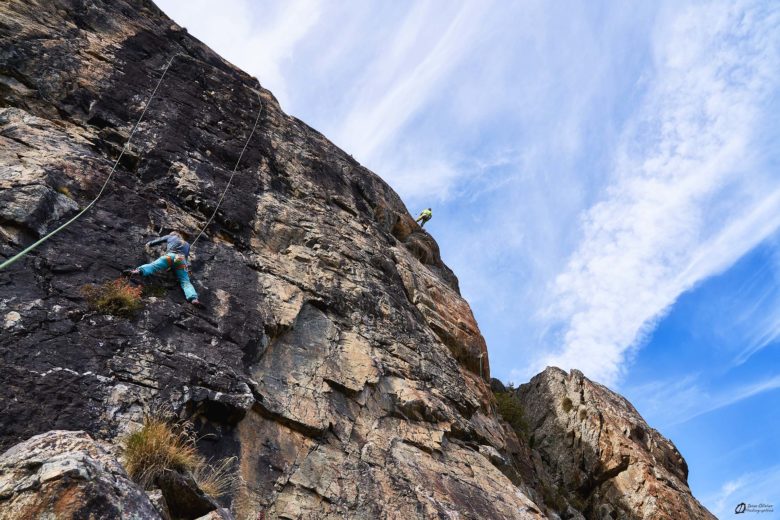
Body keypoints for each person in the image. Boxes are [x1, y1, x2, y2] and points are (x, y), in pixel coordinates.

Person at [124, 231, 203, 307]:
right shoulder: (187, 244)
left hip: (169, 257)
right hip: (181, 260)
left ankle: (137, 271)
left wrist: (149, 244)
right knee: (185, 281)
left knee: (153, 266)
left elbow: (158, 241)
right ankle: (194, 299)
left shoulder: (171, 236)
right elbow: (185, 257)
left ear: (173, 234)